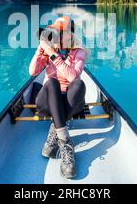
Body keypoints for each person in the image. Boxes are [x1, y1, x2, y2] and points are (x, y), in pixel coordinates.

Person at [28, 16, 87, 179]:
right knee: (52, 83)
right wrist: (41, 50)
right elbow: (32, 72)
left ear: (68, 35)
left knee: (79, 84)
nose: (54, 36)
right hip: (47, 101)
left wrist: (54, 55)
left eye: (58, 33)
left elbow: (73, 77)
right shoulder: (49, 50)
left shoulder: (78, 52)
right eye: (53, 32)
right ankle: (65, 141)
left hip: (68, 101)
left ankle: (56, 129)